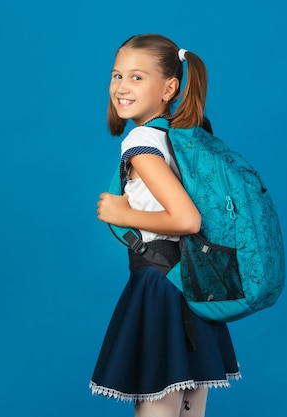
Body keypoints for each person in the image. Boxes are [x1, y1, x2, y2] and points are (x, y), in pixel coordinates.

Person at [89, 34, 240, 417]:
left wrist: (122, 214)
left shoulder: (141, 140)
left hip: (160, 285)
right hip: (193, 287)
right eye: (117, 75)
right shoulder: (187, 135)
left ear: (169, 87)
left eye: (137, 78)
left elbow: (186, 219)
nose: (122, 87)